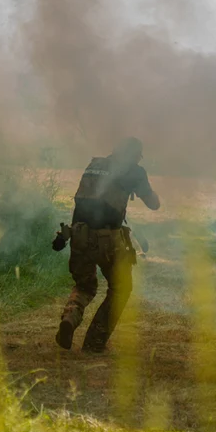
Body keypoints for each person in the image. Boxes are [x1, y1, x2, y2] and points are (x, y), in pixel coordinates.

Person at [56, 137, 160, 353]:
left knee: (84, 286)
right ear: (134, 155)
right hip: (108, 240)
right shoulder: (134, 171)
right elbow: (153, 204)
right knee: (121, 287)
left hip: (78, 233)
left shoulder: (95, 165)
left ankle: (70, 318)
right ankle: (94, 342)